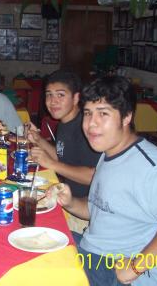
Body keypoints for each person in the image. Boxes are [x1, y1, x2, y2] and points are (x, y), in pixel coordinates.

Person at [53, 75, 157, 285]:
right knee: (35, 240)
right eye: (87, 113)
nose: (91, 124)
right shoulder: (109, 151)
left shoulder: (148, 166)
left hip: (118, 271)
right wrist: (70, 202)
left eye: (103, 113)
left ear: (126, 117)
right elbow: (101, 209)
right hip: (95, 253)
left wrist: (134, 268)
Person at [27, 70, 100, 233]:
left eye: (60, 95)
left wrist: (51, 163)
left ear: (76, 98)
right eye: (49, 95)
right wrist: (39, 139)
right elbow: (63, 156)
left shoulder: (86, 128)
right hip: (67, 198)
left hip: (83, 212)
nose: (53, 102)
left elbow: (94, 176)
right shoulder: (64, 123)